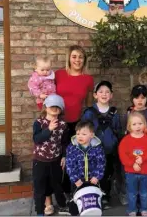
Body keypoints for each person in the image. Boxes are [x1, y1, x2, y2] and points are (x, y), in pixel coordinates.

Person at [55, 45, 94, 194]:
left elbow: (89, 105)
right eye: (74, 56)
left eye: (80, 57)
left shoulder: (88, 79)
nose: (77, 60)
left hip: (75, 125)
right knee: (57, 158)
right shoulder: (58, 75)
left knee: (73, 159)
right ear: (69, 58)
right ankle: (58, 191)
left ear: (84, 60)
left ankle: (72, 190)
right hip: (57, 123)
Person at [81, 81, 121, 208]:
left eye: (107, 91)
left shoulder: (114, 113)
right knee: (94, 174)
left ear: (111, 95)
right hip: (93, 151)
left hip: (109, 151)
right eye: (101, 91)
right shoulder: (89, 113)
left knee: (107, 173)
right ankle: (93, 196)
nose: (104, 94)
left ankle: (105, 196)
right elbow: (83, 130)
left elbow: (117, 129)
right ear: (95, 95)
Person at [32, 94, 69, 216]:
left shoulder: (63, 124)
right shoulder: (39, 123)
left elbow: (64, 143)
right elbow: (37, 139)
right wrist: (49, 129)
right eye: (52, 106)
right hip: (40, 161)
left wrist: (64, 156)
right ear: (45, 107)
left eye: (57, 107)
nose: (55, 109)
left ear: (61, 109)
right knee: (40, 187)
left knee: (57, 185)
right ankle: (39, 211)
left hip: (55, 161)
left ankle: (63, 205)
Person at [118, 111, 147, 217]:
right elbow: (123, 155)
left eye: (140, 123)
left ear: (144, 124)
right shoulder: (126, 140)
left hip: (146, 171)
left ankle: (144, 209)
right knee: (132, 193)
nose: (137, 126)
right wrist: (132, 164)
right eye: (134, 124)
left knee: (144, 192)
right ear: (129, 126)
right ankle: (132, 210)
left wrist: (143, 159)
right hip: (131, 172)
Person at [65, 121, 106, 216]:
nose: (80, 136)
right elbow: (70, 165)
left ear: (91, 135)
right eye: (78, 133)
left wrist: (97, 176)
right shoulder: (72, 148)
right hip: (78, 181)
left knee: (94, 199)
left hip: (93, 180)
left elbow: (101, 162)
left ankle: (95, 213)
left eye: (84, 134)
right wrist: (75, 179)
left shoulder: (97, 147)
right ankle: (75, 213)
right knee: (76, 200)